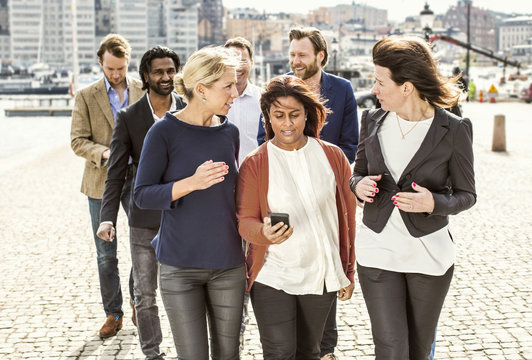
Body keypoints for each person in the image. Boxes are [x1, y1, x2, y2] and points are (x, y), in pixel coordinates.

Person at [350, 35, 476, 359]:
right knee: (391, 349)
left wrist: (434, 203)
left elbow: (467, 195)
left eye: (380, 82)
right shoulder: (372, 121)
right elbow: (358, 172)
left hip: (428, 255)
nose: (373, 89)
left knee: (419, 350)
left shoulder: (454, 129)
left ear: (406, 87)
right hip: (377, 249)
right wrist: (358, 186)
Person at [134, 47, 246, 359]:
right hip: (179, 266)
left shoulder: (230, 133)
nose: (235, 93)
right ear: (201, 90)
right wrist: (191, 184)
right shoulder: (163, 133)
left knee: (229, 355)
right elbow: (142, 195)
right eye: (227, 85)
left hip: (228, 265)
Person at [236, 74, 356, 359]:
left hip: (319, 274)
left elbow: (347, 220)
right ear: (267, 116)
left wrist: (348, 271)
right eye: (279, 115)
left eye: (294, 115)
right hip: (272, 275)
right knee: (279, 352)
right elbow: (244, 221)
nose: (287, 123)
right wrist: (263, 233)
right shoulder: (255, 163)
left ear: (307, 115)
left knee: (309, 351)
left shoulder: (333, 157)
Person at [97, 46, 185, 359]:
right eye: (159, 72)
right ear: (145, 76)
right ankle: (152, 353)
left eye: (171, 71)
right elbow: (116, 173)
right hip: (144, 220)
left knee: (184, 293)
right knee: (145, 293)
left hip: (185, 219)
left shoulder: (191, 110)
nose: (166, 77)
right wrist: (107, 218)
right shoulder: (129, 118)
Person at [70, 33, 144, 338]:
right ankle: (113, 314)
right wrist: (104, 151)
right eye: (111, 68)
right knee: (106, 254)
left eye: (121, 68)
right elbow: (77, 141)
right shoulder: (86, 96)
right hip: (101, 183)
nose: (116, 74)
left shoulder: (143, 90)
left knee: (145, 246)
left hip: (139, 180)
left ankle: (137, 298)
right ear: (100, 62)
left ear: (128, 63)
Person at [224, 36, 262, 165]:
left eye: (243, 62)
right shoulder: (214, 102)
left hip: (256, 174)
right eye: (232, 62)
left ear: (252, 62)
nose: (238, 68)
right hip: (222, 176)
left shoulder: (264, 99)